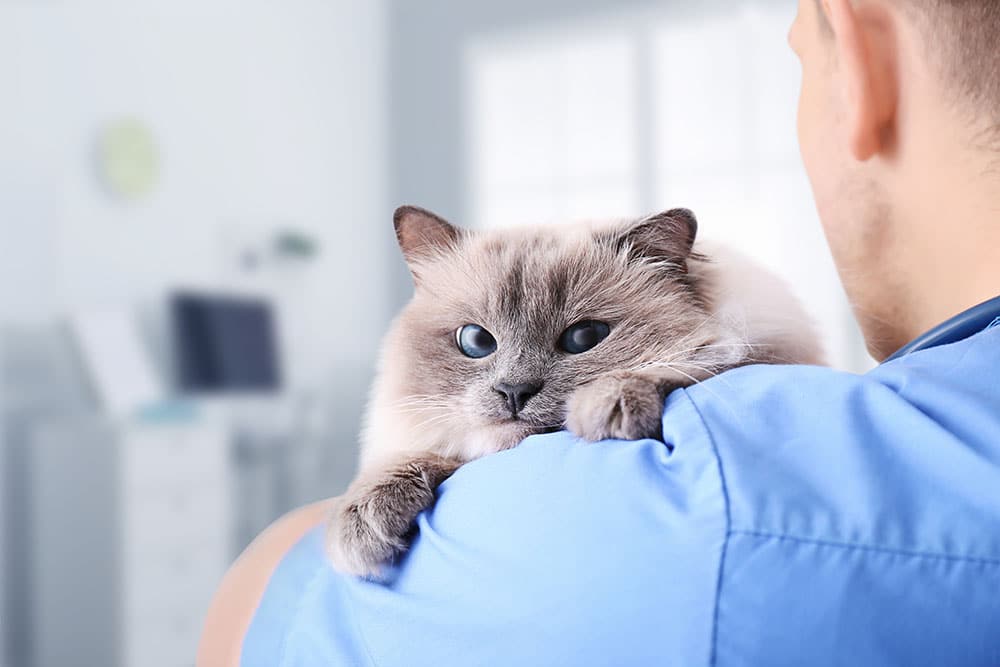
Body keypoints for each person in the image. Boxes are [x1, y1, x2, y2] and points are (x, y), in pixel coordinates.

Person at [199, 0, 1000, 664]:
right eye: (478, 342)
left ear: (861, 59)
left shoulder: (694, 502)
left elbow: (251, 612)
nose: (513, 382)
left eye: (801, 58)